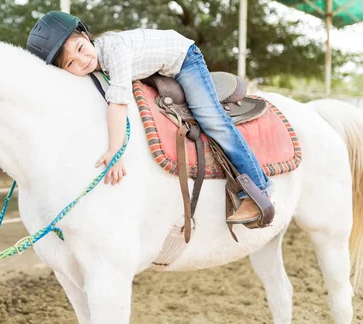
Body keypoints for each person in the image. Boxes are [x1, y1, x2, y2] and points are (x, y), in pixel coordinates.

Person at [26, 11, 272, 225]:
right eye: (71, 63)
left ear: (86, 36)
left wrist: (115, 150)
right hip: (161, 65)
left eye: (80, 49)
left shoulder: (115, 51)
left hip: (183, 59)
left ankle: (258, 189)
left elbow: (118, 103)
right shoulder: (97, 62)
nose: (82, 60)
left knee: (211, 120)